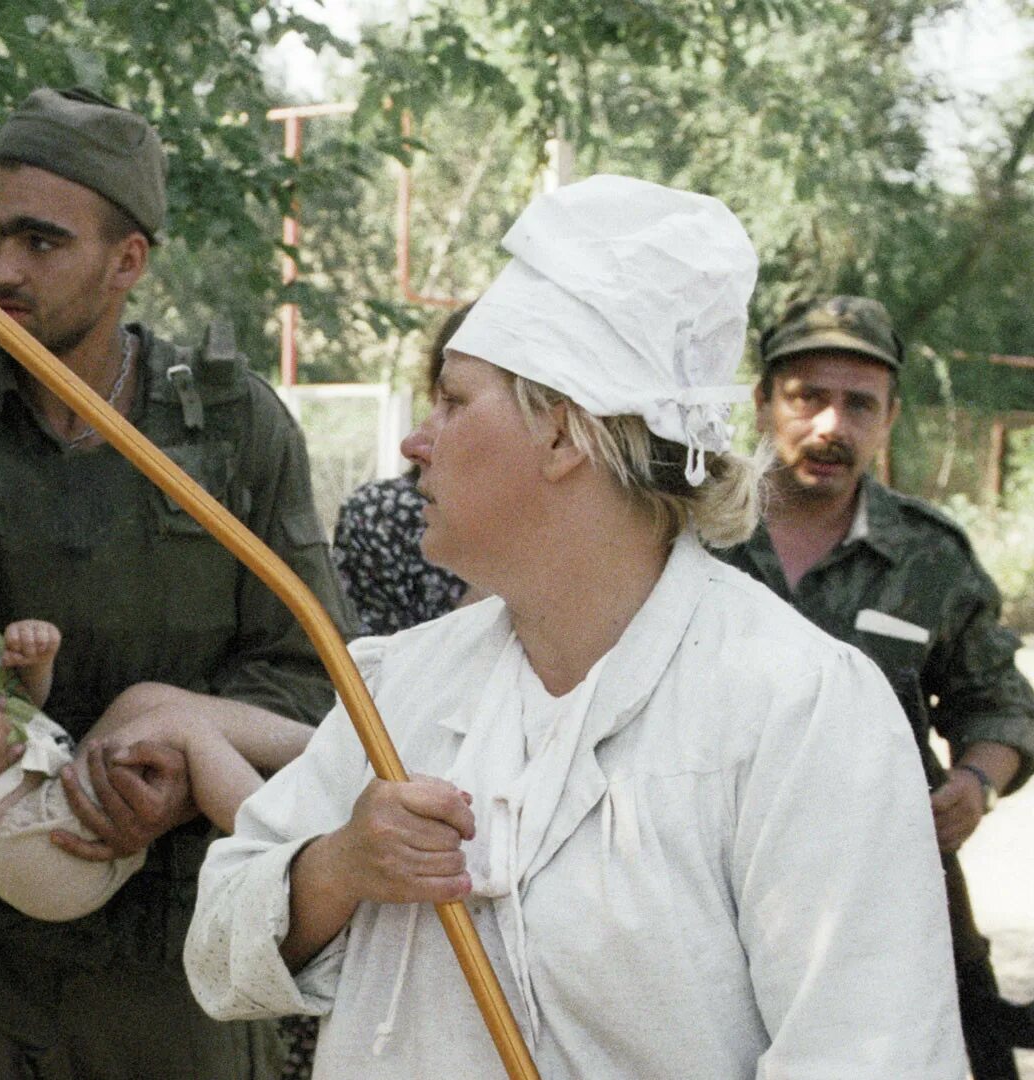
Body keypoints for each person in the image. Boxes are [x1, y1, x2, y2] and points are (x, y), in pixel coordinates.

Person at [185, 176, 964, 1077]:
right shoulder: (404, 682)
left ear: (561, 435)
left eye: (453, 400)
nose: (416, 441)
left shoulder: (799, 709)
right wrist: (340, 867)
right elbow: (219, 957)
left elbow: (871, 1054)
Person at [0, 87, 349, 1079]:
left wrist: (175, 780)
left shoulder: (233, 433)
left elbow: (313, 675)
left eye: (41, 243)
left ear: (128, 261)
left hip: (170, 954)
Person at [717, 295, 1034, 1077]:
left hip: (889, 887)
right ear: (764, 403)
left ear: (889, 418)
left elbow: (998, 703)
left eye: (860, 405)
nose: (832, 426)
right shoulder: (692, 533)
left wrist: (972, 783)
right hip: (704, 873)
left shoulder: (929, 558)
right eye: (808, 398)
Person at [0, 436, 273, 923]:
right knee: (176, 724)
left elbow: (20, 711)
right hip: (31, 850)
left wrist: (34, 667)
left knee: (146, 700)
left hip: (56, 807)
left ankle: (336, 747)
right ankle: (290, 857)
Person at [332, 306, 472, 637]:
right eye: (444, 399)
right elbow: (363, 680)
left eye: (456, 402)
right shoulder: (379, 518)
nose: (411, 444)